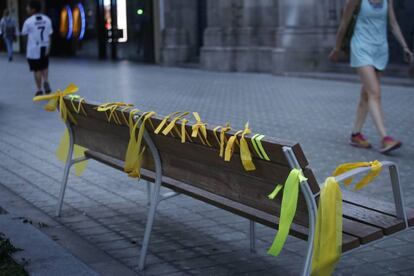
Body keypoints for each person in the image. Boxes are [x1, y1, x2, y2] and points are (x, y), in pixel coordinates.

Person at [329, 0, 413, 154]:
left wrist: (405, 47)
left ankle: (355, 134)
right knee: (374, 93)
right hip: (361, 47)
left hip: (380, 49)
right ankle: (385, 138)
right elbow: (344, 25)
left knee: (366, 94)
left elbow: (393, 24)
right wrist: (336, 48)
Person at [21, 0, 53, 96]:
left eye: (28, 7)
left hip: (34, 48)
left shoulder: (28, 21)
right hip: (45, 45)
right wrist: (49, 46)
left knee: (37, 69)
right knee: (45, 66)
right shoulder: (47, 19)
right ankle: (46, 81)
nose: (26, 9)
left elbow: (24, 34)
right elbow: (50, 34)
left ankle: (39, 89)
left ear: (33, 9)